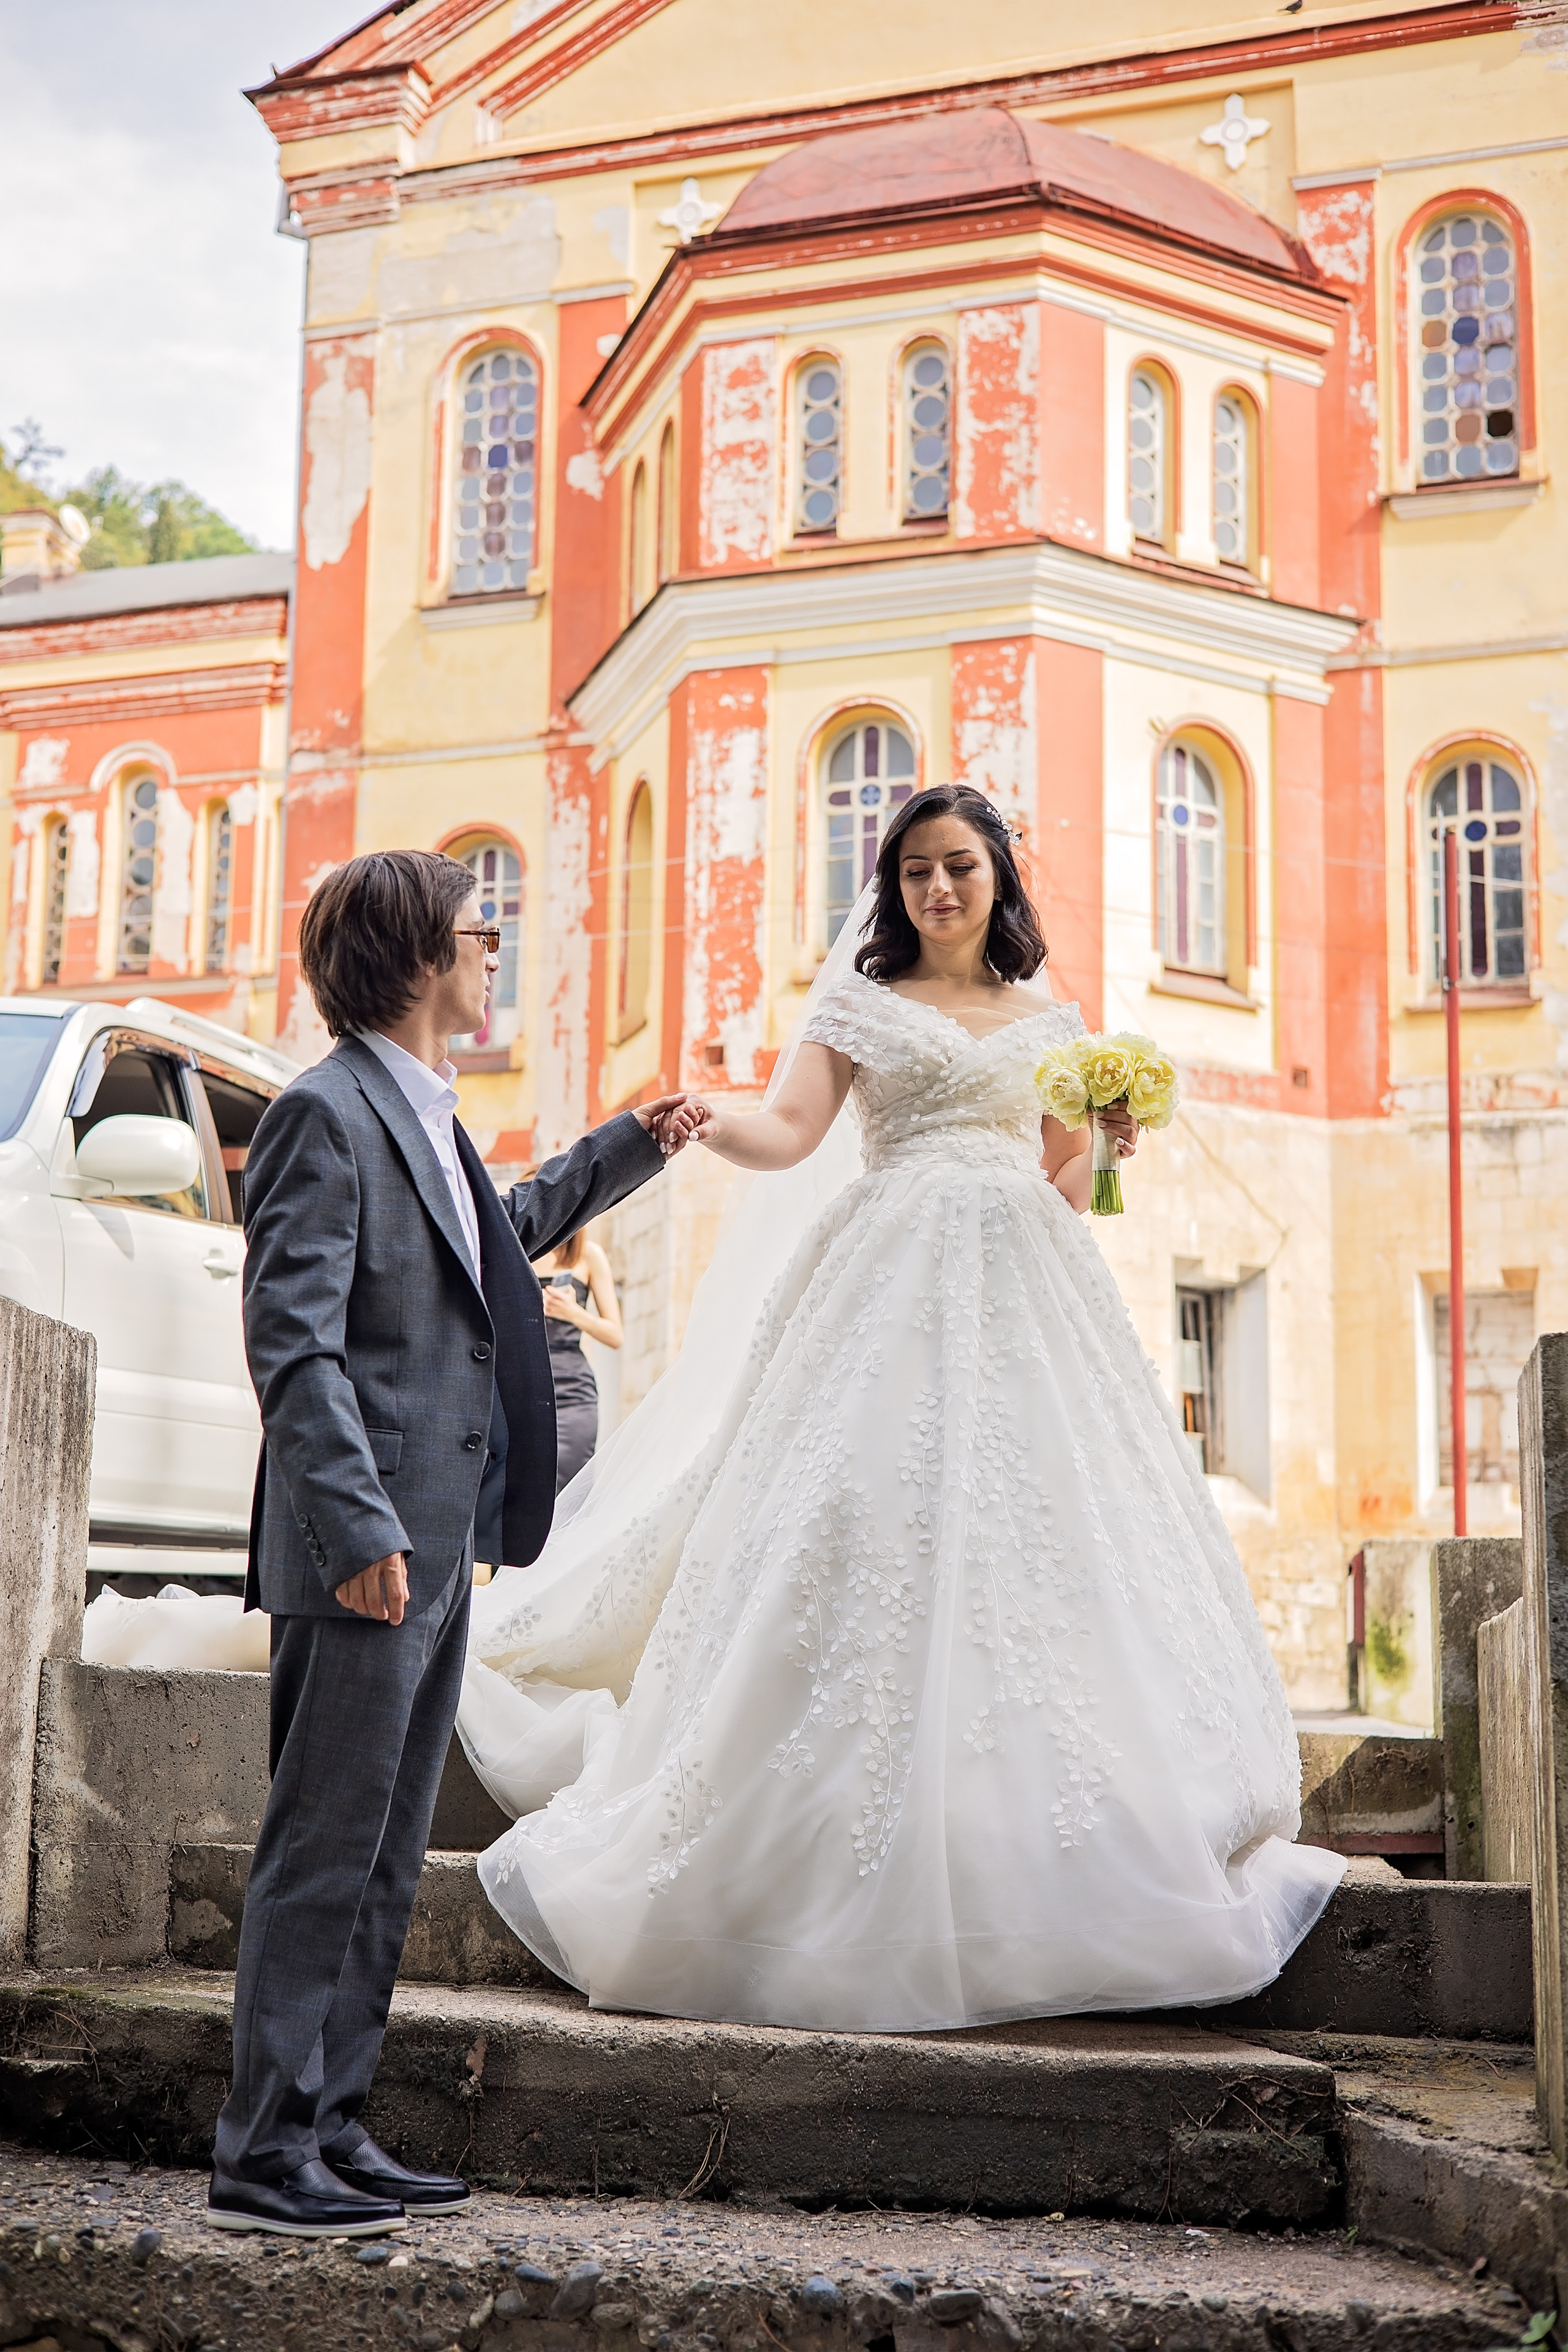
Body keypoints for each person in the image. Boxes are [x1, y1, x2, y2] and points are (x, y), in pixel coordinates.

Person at [458, 784, 1343, 2034]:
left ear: (997, 882)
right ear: (894, 887)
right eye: (916, 870)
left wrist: (1104, 1139)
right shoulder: (857, 1003)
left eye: (959, 868)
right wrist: (707, 1120)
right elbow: (792, 1129)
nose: (936, 888)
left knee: (1045, 1523)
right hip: (886, 1267)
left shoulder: (1049, 1015)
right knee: (863, 1506)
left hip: (1028, 1279)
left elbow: (1066, 1177)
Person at [207, 849, 691, 2237]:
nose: (494, 956)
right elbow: (291, 1346)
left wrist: (627, 1147)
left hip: (433, 1547)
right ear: (418, 957)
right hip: (359, 1550)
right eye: (479, 935)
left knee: (381, 1852)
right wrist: (354, 1526)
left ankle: (330, 2124)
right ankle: (260, 2148)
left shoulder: (429, 1115)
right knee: (321, 1848)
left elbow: (500, 1239)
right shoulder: (324, 1111)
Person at [532, 1227, 622, 1492]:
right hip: (519, 1387)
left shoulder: (588, 1254)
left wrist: (573, 1313)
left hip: (572, 1392)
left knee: (567, 1490)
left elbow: (615, 1335)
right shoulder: (510, 1248)